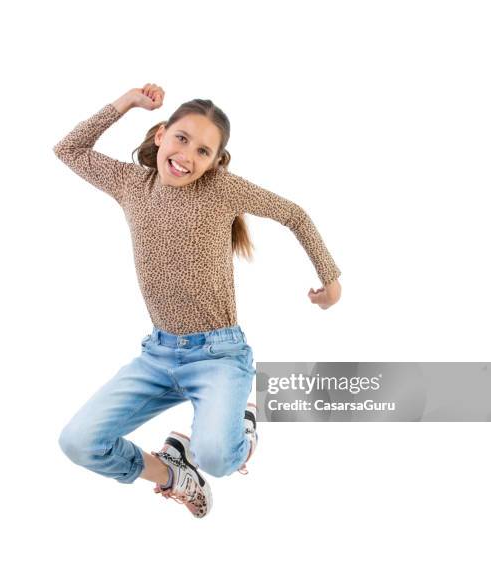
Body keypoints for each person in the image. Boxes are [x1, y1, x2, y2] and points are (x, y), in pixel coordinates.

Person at [53, 83, 342, 518]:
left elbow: (293, 214)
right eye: (181, 139)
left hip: (219, 354)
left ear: (216, 162)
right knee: (78, 442)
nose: (187, 156)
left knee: (217, 459)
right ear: (160, 135)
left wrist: (330, 280)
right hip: (159, 355)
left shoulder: (221, 191)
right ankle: (172, 473)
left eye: (204, 152)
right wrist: (126, 102)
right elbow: (68, 149)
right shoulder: (132, 183)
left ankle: (237, 430)